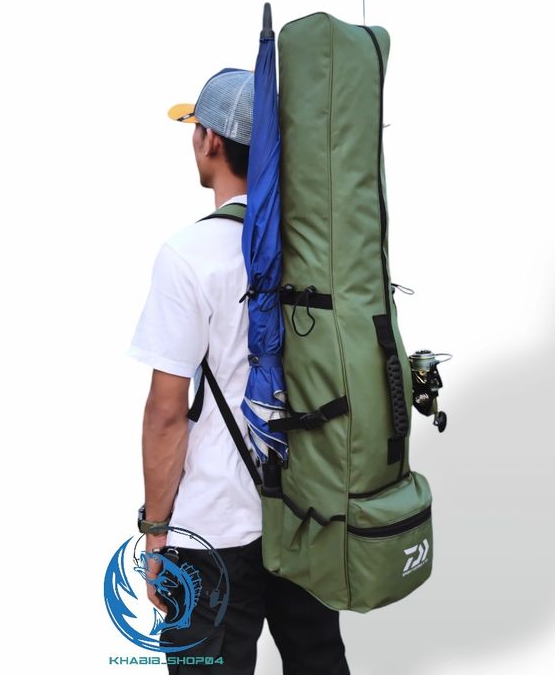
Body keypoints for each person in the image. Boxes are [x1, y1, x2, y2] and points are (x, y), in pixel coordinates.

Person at [129, 68, 350, 675]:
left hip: (215, 528)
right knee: (318, 661)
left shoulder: (188, 256)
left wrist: (155, 531)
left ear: (211, 141)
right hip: (306, 508)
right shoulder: (319, 249)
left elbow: (167, 414)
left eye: (195, 127)